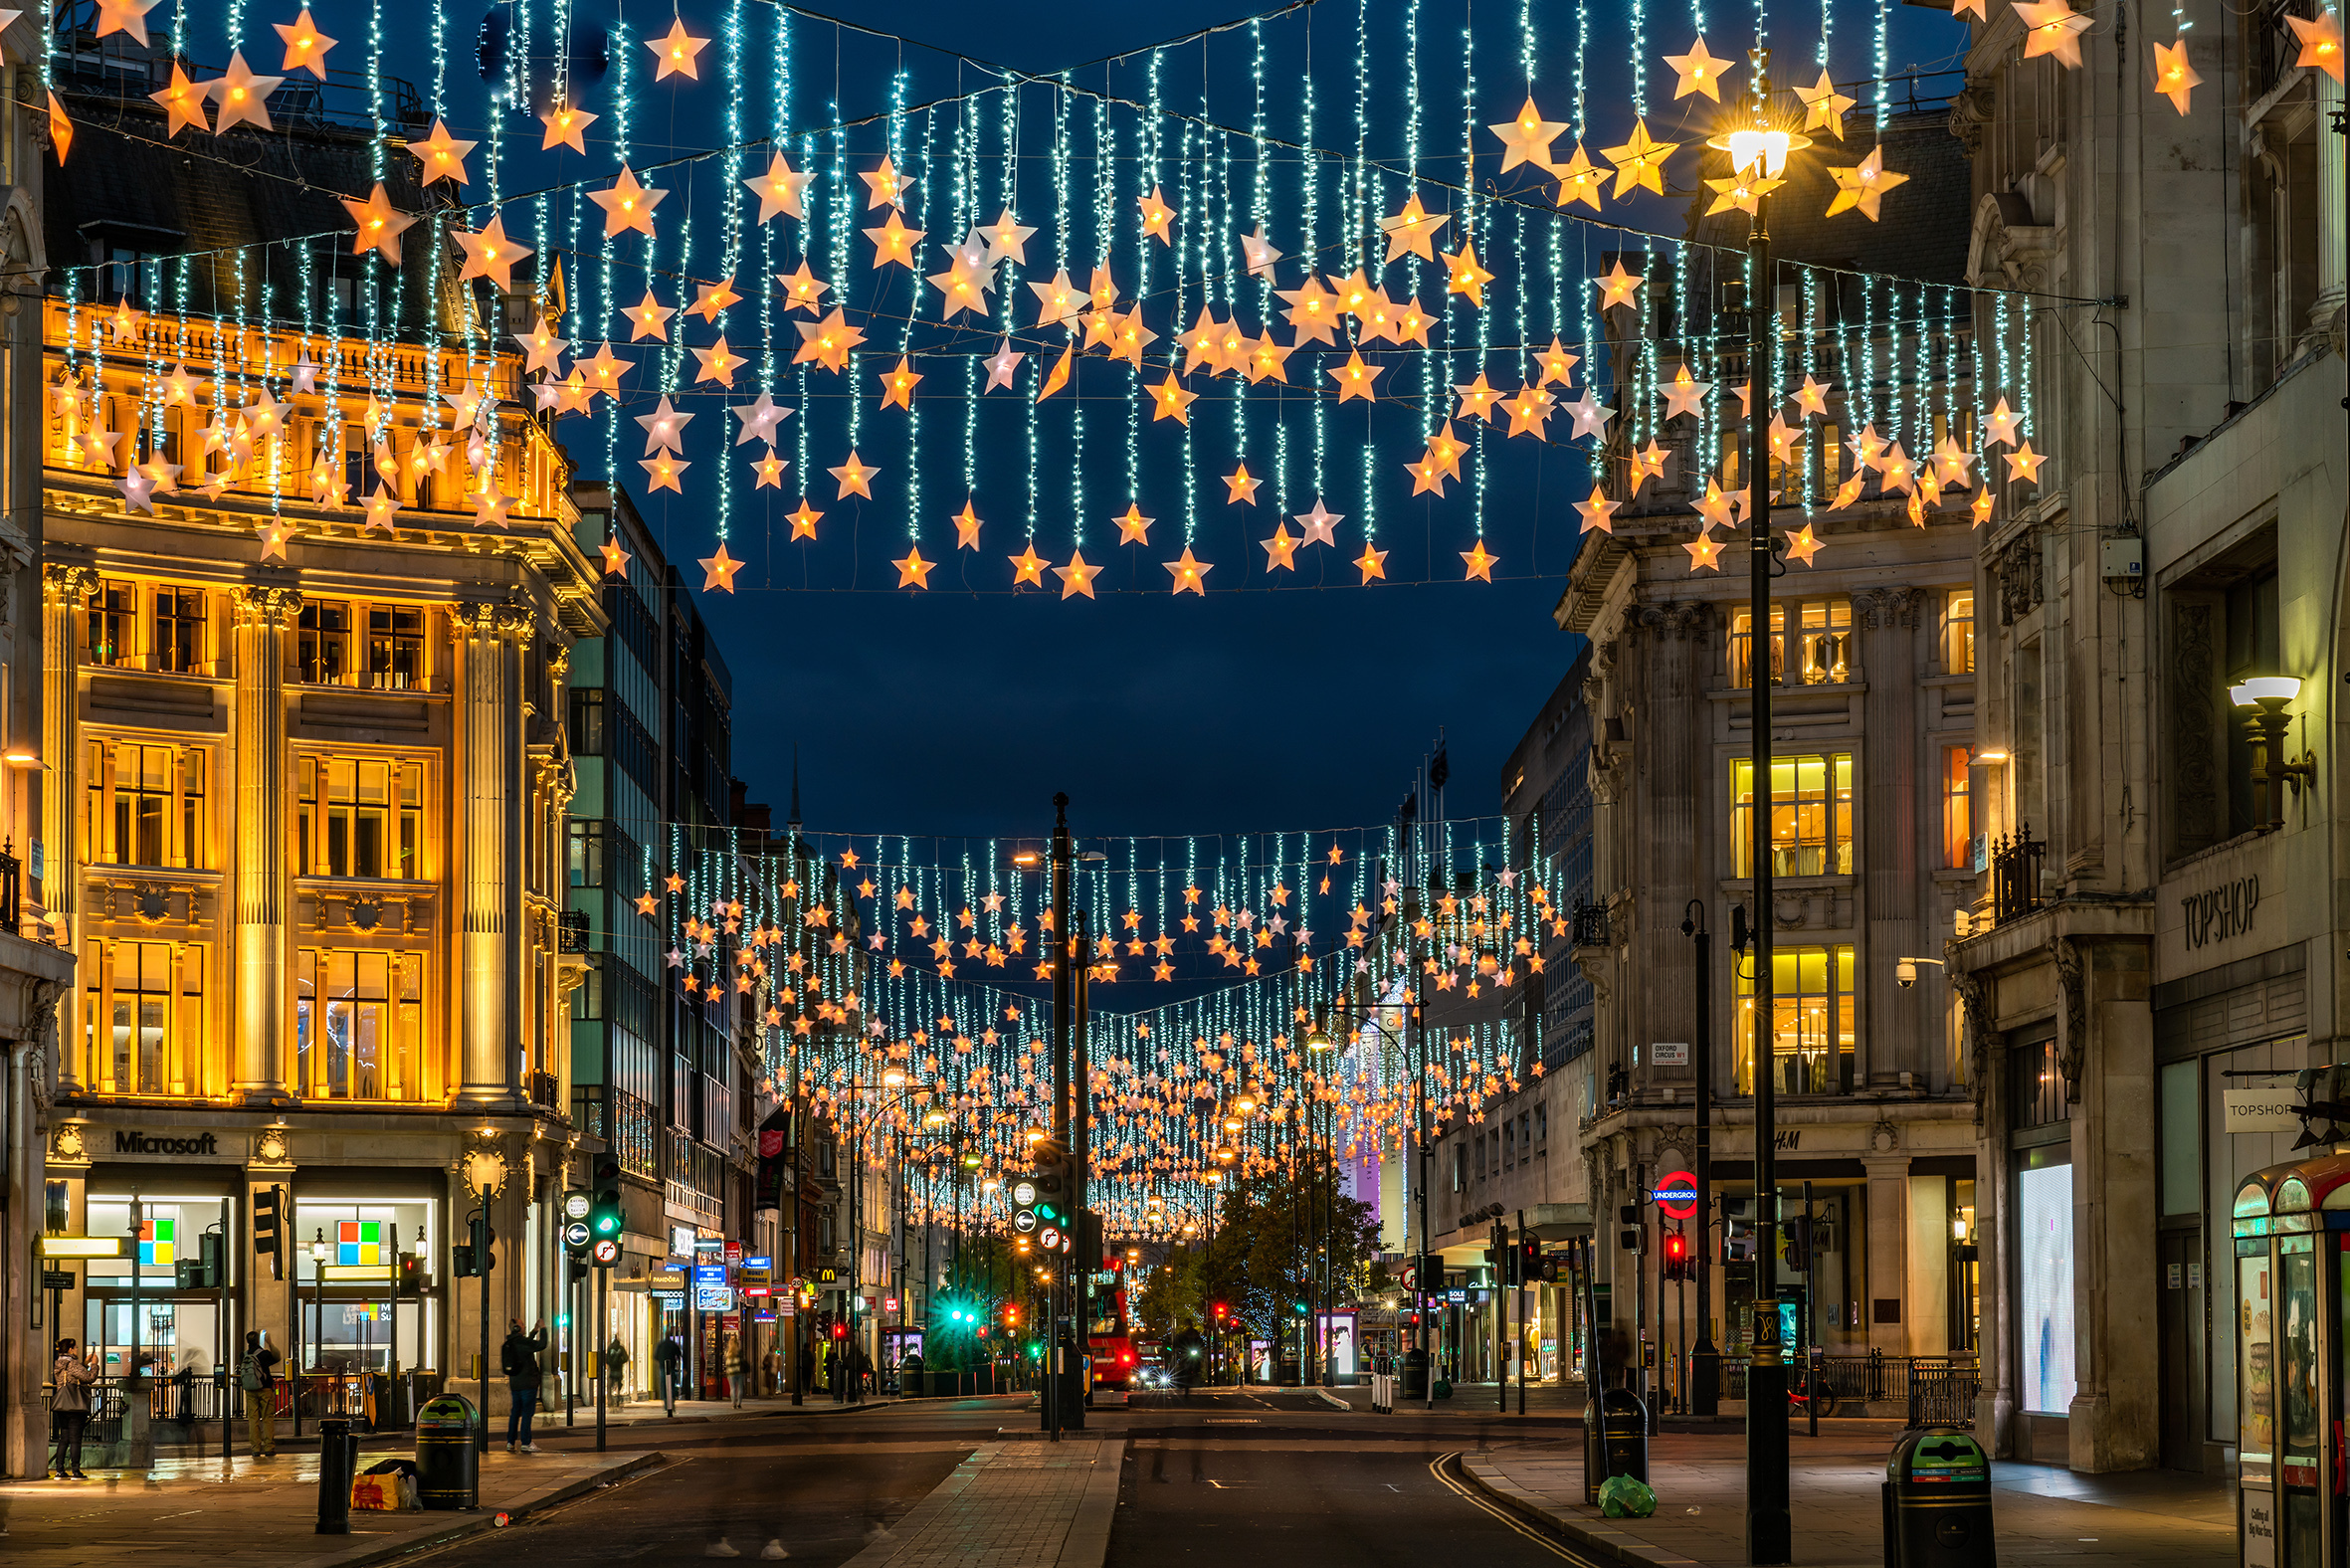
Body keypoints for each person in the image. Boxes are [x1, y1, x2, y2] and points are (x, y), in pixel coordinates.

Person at [49, 1339, 96, 1479]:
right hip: (74, 1406)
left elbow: (72, 1375)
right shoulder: (72, 1364)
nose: (77, 1350)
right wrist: (94, 1365)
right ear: (70, 1350)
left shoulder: (59, 1364)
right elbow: (89, 1378)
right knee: (75, 1440)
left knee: (64, 1438)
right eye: (75, 1347)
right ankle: (76, 1471)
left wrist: (84, 1364)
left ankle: (59, 1470)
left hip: (61, 1406)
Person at [499, 1318, 547, 1454]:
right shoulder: (522, 1343)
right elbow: (541, 1345)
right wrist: (543, 1329)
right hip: (528, 1383)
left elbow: (526, 1345)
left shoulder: (509, 1343)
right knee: (527, 1413)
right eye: (522, 1325)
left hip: (515, 1384)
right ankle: (526, 1442)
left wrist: (534, 1331)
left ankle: (510, 1441)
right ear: (517, 1328)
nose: (524, 1326)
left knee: (515, 1413)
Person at [236, 1330, 280, 1461]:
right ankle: (269, 1447)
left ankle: (255, 1448)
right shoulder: (264, 1354)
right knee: (267, 1418)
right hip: (265, 1389)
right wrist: (270, 1343)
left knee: (253, 1419)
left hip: (250, 1390)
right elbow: (276, 1357)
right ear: (257, 1341)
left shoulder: (243, 1355)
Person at [653, 1331, 683, 1415]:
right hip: (671, 1368)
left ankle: (666, 1405)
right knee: (671, 1386)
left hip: (663, 1368)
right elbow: (679, 1354)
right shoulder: (673, 1344)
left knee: (664, 1386)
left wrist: (660, 1362)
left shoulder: (660, 1345)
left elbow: (655, 1356)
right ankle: (671, 1403)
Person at [604, 1336, 630, 1402]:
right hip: (619, 1368)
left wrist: (610, 1364)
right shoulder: (621, 1348)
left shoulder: (610, 1348)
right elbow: (626, 1358)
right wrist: (620, 1362)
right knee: (619, 1381)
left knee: (610, 1384)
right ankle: (618, 1395)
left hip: (612, 1369)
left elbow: (607, 1359)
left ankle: (610, 1399)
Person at [725, 1336, 748, 1409]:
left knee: (732, 1388)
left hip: (731, 1373)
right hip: (739, 1371)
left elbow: (727, 1364)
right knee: (740, 1388)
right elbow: (742, 1361)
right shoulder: (739, 1352)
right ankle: (739, 1403)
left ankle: (733, 1403)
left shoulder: (728, 1352)